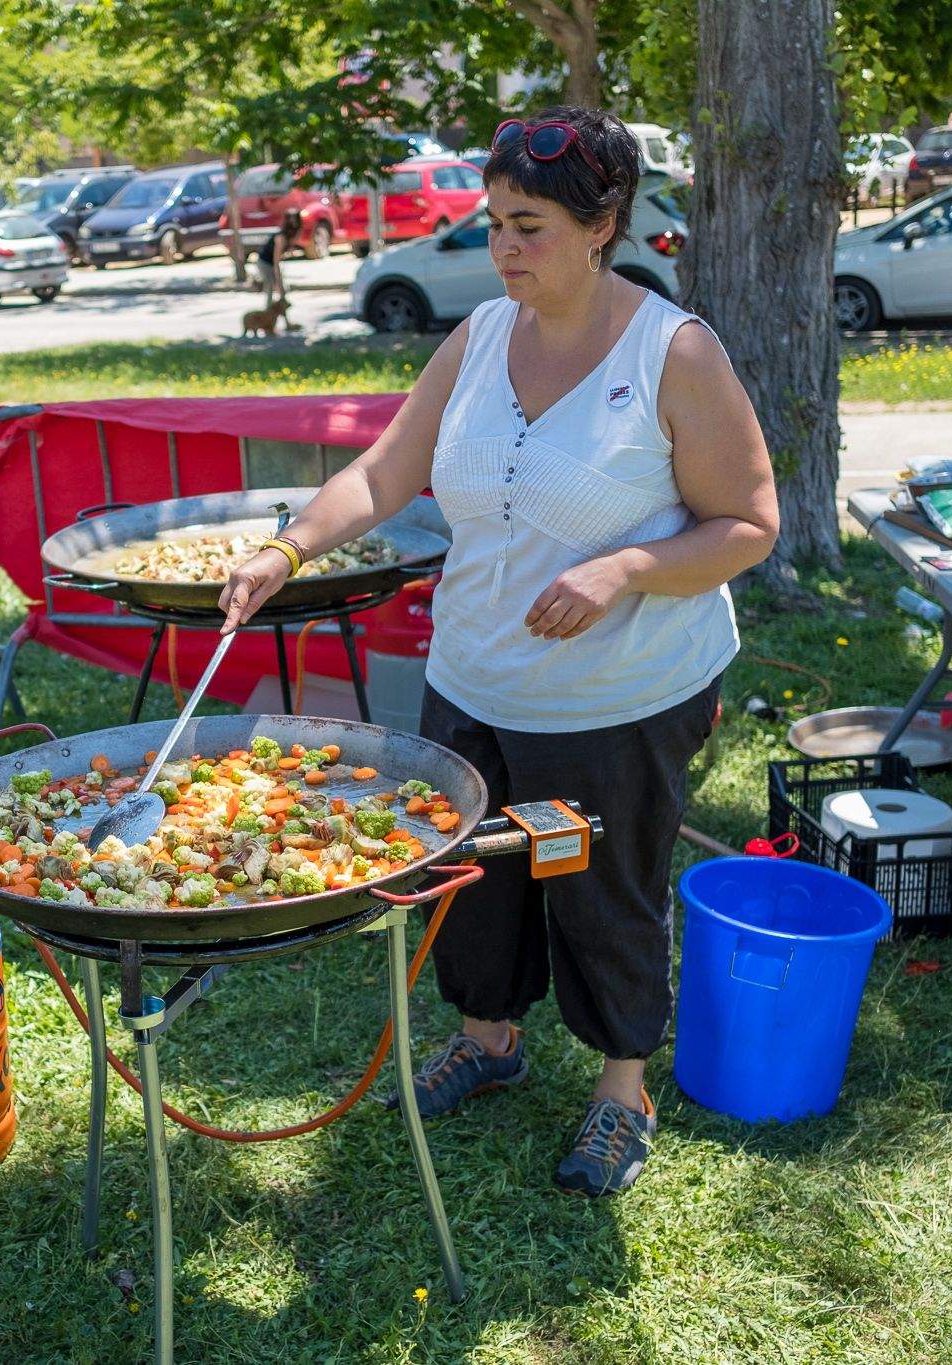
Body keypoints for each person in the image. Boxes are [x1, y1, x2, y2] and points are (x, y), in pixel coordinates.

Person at [218, 108, 778, 1196]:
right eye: (493, 224)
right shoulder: (476, 337)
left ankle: (621, 1089)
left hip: (620, 693)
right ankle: (489, 1039)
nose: (502, 248)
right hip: (472, 678)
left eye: (526, 226)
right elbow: (384, 471)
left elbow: (748, 524)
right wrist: (286, 550)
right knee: (467, 877)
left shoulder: (676, 352)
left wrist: (621, 569)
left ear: (600, 222)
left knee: (602, 888)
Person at [253, 208, 301, 306]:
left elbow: (290, 248)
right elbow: (276, 261)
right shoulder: (281, 237)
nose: (294, 222)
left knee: (281, 287)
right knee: (271, 285)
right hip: (264, 262)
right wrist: (277, 277)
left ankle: (281, 307)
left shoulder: (290, 236)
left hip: (271, 262)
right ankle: (268, 309)